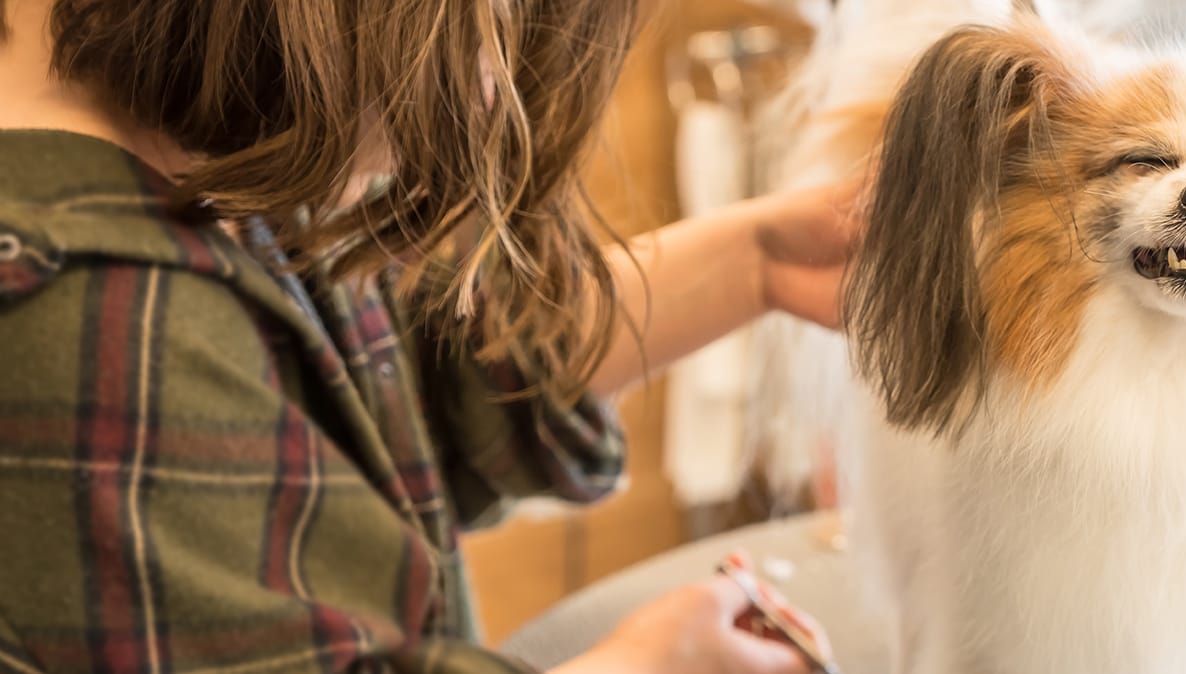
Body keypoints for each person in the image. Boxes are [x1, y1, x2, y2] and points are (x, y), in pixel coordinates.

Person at [0, 1, 855, 673]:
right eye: (486, 29)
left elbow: (399, 410)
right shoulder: (81, 304)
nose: (489, 92)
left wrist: (757, 263)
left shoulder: (190, 188)